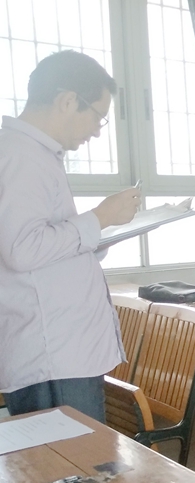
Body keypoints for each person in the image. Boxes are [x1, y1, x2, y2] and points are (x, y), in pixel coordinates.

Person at [0, 50, 141, 422]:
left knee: (73, 451)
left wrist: (99, 232)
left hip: (59, 351)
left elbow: (41, 245)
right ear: (67, 101)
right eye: (97, 116)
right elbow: (22, 249)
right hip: (52, 355)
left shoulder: (31, 153)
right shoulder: (21, 156)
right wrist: (100, 217)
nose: (96, 130)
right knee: (73, 455)